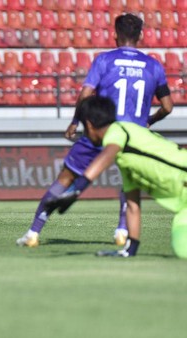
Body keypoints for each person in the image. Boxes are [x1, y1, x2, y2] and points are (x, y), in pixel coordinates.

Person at [17, 13, 173, 248]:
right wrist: (149, 121)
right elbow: (168, 106)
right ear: (141, 35)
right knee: (130, 185)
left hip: (103, 131)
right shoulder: (154, 65)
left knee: (66, 178)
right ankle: (122, 231)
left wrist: (75, 121)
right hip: (135, 135)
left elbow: (86, 94)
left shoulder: (104, 60)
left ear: (114, 35)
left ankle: (33, 233)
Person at [45, 95, 187, 258]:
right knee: (182, 250)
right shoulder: (126, 158)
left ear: (90, 125)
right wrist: (130, 249)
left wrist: (77, 190)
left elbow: (106, 156)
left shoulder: (117, 131)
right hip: (184, 207)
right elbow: (133, 205)